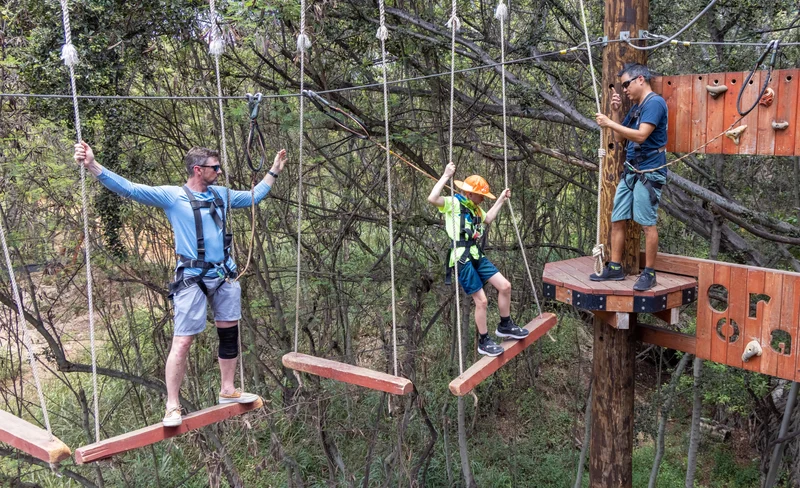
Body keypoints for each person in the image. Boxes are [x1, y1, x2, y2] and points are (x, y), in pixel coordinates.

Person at [74, 141, 287, 426]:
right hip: (192, 278)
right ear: (198, 170)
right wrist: (93, 165)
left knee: (229, 332)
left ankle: (228, 389)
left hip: (223, 275)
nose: (220, 172)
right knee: (183, 340)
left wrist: (273, 170)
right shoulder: (173, 197)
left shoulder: (221, 195)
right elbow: (130, 189)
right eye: (215, 167)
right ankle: (172, 405)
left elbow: (253, 197)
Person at [427, 162, 529, 357]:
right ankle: (484, 341)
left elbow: (488, 219)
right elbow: (432, 198)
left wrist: (500, 199)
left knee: (505, 286)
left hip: (476, 254)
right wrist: (446, 175)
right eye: (481, 196)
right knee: (481, 301)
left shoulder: (474, 208)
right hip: (461, 258)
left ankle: (505, 324)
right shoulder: (454, 203)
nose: (482, 199)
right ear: (470, 193)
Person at [590, 62, 668, 291]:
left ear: (640, 80)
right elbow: (619, 137)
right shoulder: (636, 108)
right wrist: (615, 113)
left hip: (649, 171)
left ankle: (650, 272)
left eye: (626, 84)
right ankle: (615, 267)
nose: (624, 90)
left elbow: (642, 136)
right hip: (632, 170)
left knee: (646, 223)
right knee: (618, 218)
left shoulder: (654, 103)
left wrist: (610, 121)